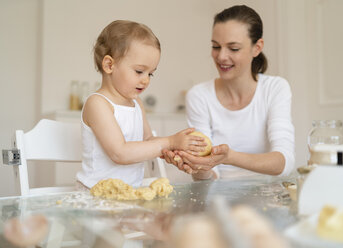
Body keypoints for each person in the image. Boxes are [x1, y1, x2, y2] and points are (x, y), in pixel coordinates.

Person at [162, 5, 295, 180]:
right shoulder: (199, 96)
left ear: (257, 47)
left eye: (233, 48)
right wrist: (196, 164)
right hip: (219, 201)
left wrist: (230, 157)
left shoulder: (275, 89)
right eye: (216, 46)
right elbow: (209, 177)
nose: (221, 57)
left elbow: (284, 163)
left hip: (270, 198)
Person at [76, 20, 207, 189]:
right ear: (109, 65)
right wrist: (169, 142)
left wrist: (175, 149)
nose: (145, 80)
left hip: (129, 194)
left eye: (150, 74)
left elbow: (148, 141)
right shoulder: (98, 104)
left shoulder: (136, 103)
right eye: (139, 71)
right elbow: (119, 153)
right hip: (95, 196)